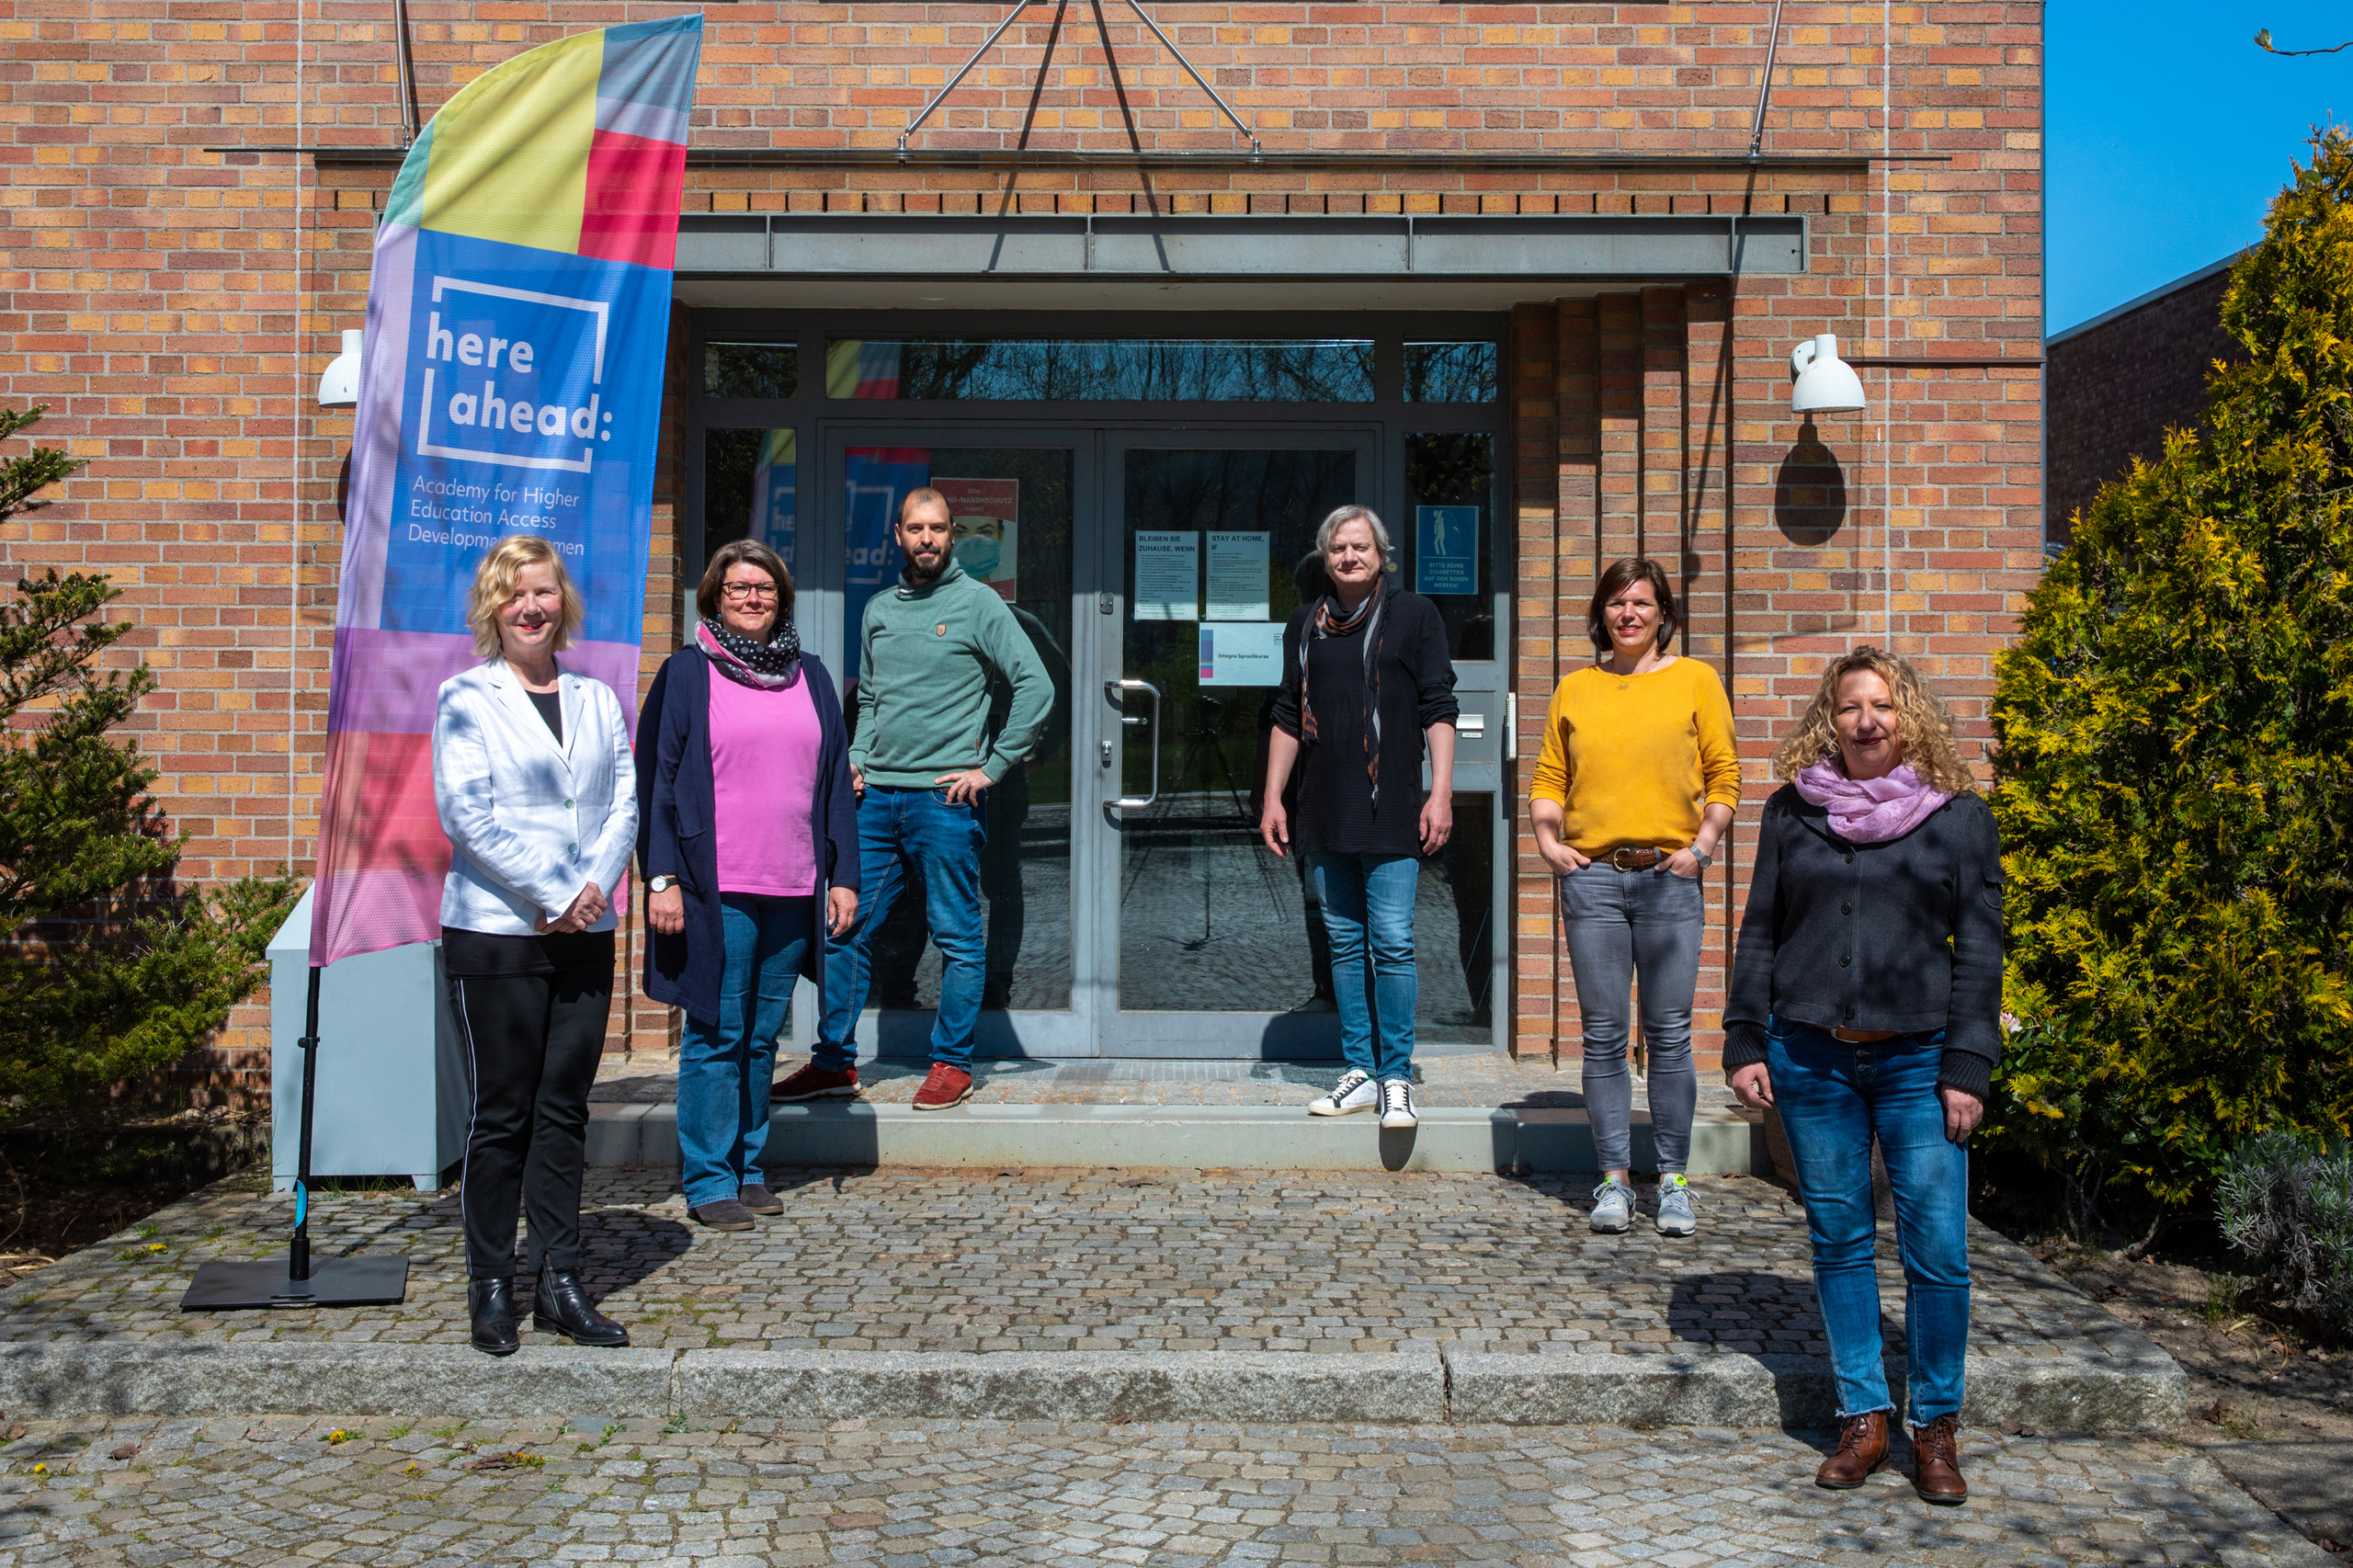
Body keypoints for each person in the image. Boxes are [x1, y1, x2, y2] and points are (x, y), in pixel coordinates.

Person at [1723, 646, 2000, 1506]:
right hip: (1812, 1055)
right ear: (1829, 720)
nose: (1867, 721)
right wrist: (1743, 1039)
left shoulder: (1956, 818)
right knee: (1839, 1241)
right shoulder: (1790, 814)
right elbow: (1761, 930)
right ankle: (1864, 1416)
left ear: (1907, 715)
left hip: (1920, 1061)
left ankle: (1936, 1428)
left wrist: (1967, 1066)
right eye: (1851, 708)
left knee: (1938, 1252)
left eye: (1883, 706)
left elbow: (1981, 952)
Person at [777, 487, 1052, 1111]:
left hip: (943, 801)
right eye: (915, 529)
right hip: (874, 801)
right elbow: (871, 699)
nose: (926, 539)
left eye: (937, 529)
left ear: (951, 534)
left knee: (956, 935)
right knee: (843, 928)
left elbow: (1036, 686)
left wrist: (993, 766)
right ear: (897, 536)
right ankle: (834, 1062)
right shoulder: (879, 610)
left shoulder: (979, 604)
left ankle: (951, 1063)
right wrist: (855, 758)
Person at [433, 536, 637, 1357]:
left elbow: (623, 796)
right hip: (498, 935)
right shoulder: (464, 698)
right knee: (502, 1116)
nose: (531, 607)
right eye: (515, 595)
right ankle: (491, 1285)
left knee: (564, 1113)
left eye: (544, 593)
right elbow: (466, 814)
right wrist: (556, 893)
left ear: (563, 603)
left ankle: (560, 1282)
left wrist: (593, 891)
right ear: (493, 606)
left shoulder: (597, 698)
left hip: (585, 936)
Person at [637, 540, 859, 1233]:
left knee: (762, 1036)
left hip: (793, 885)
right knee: (715, 1032)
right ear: (715, 597)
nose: (752, 598)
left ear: (781, 597)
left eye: (764, 587)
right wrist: (662, 875)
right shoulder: (686, 675)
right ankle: (709, 1178)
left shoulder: (813, 677)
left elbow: (834, 784)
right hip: (715, 888)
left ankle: (750, 1166)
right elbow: (658, 784)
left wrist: (843, 876)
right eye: (738, 588)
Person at [1526, 558, 1740, 1237]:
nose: (1629, 614)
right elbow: (1550, 774)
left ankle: (1673, 1180)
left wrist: (1700, 849)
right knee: (1603, 1036)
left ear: (1663, 613)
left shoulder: (1696, 681)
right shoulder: (1576, 689)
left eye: (1642, 603)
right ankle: (1613, 1181)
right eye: (1617, 603)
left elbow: (1725, 774)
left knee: (1671, 1036)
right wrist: (1545, 837)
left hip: (1669, 877)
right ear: (1601, 614)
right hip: (1591, 878)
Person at [1261, 505, 1460, 1131]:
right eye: (1339, 548)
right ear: (1326, 557)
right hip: (1324, 803)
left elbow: (1438, 705)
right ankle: (1359, 1070)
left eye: (1360, 548)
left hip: (1393, 801)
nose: (1349, 557)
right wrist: (1273, 797)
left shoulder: (1415, 616)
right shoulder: (1305, 626)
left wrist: (1442, 792)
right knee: (1344, 942)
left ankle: (1396, 1076)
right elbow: (1289, 714)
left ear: (1382, 556)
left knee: (1393, 942)